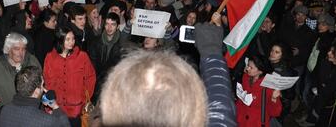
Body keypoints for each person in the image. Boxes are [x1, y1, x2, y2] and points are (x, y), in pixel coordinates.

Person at [97, 12, 237, 127]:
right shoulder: (136, 52)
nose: (147, 39)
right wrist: (129, 25)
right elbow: (221, 116)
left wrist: (168, 31)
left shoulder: (164, 53)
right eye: (146, 36)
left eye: (151, 37)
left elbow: (171, 45)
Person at [43, 27, 96, 127]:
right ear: (60, 40)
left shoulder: (82, 56)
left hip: (76, 109)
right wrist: (49, 106)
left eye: (73, 39)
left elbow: (90, 77)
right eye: (67, 39)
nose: (72, 42)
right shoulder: (50, 57)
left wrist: (84, 97)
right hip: (56, 108)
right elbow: (47, 82)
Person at [0, 32, 41, 111]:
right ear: (8, 49)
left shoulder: (32, 61)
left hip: (30, 112)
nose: (21, 53)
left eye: (23, 49)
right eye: (17, 49)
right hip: (4, 113)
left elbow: (41, 83)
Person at [0, 66, 70, 127]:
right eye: (42, 85)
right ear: (36, 91)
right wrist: (56, 107)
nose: (44, 88)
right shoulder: (47, 121)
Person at [236, 55, 282, 127]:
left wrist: (274, 98)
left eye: (251, 67)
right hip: (240, 119)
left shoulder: (268, 86)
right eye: (248, 65)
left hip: (255, 123)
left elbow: (275, 113)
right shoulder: (246, 77)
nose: (247, 68)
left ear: (260, 71)